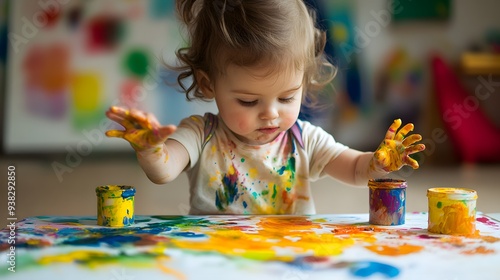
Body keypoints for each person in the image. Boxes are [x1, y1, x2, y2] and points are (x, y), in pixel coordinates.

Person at [105, 0, 425, 215]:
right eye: (248, 101)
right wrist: (151, 151)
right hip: (215, 258)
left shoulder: (305, 139)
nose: (271, 114)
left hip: (287, 259)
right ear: (208, 84)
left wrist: (380, 163)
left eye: (286, 98)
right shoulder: (201, 134)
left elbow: (356, 169)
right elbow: (163, 171)